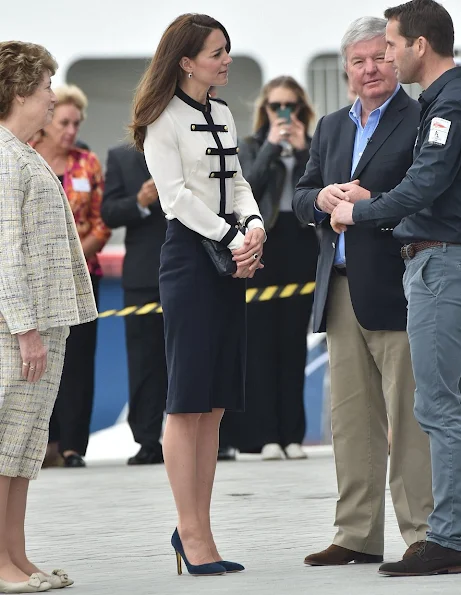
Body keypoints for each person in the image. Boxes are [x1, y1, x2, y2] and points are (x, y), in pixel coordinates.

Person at [293, 16, 433, 567]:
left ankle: (423, 531)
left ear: (395, 60)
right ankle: (355, 533)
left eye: (379, 57)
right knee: (350, 419)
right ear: (346, 69)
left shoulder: (421, 118)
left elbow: (429, 193)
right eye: (359, 61)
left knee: (412, 416)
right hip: (341, 287)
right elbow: (301, 195)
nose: (370, 68)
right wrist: (323, 198)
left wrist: (372, 198)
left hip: (401, 284)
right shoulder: (329, 126)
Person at [131, 13, 265, 576]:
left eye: (227, 50)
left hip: (227, 257)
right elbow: (176, 198)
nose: (226, 59)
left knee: (212, 404)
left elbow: (235, 180)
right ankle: (190, 532)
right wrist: (233, 236)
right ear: (187, 61)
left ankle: (200, 527)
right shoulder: (162, 119)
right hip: (190, 260)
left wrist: (254, 223)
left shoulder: (225, 113)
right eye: (217, 52)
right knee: (186, 401)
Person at [330, 0, 461, 576]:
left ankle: (445, 536)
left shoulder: (443, 106)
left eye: (391, 45)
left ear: (418, 46)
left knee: (435, 408)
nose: (385, 56)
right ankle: (438, 533)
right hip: (423, 262)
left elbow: (426, 185)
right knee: (428, 407)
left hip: (437, 266)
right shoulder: (440, 101)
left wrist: (362, 213)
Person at [0, 41, 97, 592]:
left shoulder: (24, 152)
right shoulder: (5, 158)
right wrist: (25, 329)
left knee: (24, 448)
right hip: (17, 329)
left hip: (42, 322)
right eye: (43, 87)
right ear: (18, 92)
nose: (49, 97)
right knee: (3, 446)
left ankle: (15, 553)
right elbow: (5, 251)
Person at [234, 76, 318, 460]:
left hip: (300, 244)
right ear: (264, 110)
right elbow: (244, 188)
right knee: (261, 341)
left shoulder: (314, 147)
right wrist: (271, 146)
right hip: (262, 241)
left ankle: (292, 434)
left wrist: (302, 153)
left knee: (293, 341)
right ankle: (265, 433)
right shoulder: (251, 147)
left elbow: (321, 193)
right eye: (275, 106)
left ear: (302, 110)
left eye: (291, 106)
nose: (283, 113)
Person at [32, 85, 111, 468]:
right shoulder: (24, 156)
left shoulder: (87, 163)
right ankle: (41, 444)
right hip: (37, 278)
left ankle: (72, 445)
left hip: (82, 274)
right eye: (64, 122)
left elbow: (101, 222)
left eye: (76, 123)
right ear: (47, 123)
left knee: (79, 360)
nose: (71, 130)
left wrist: (74, 257)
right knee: (39, 358)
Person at [101, 144, 167, 465]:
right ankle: (147, 439)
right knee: (144, 361)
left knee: (196, 355)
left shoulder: (189, 145)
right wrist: (139, 202)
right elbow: (108, 212)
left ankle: (211, 437)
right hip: (143, 274)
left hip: (192, 268)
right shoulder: (121, 157)